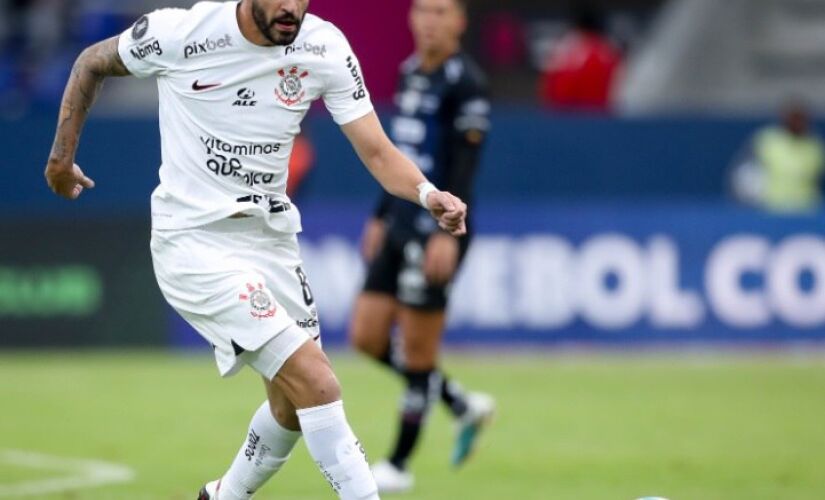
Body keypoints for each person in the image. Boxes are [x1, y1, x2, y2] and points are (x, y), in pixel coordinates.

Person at [43, 1, 469, 499]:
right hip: (195, 241)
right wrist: (60, 158)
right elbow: (91, 61)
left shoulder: (323, 45)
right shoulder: (183, 32)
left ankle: (222, 496)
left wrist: (426, 193)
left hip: (271, 241)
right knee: (318, 382)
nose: (292, 7)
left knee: (290, 407)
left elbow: (377, 150)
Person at [347, 0, 493, 493]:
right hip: (399, 222)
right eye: (423, 10)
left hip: (438, 230)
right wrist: (380, 215)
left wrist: (445, 234)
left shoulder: (467, 83)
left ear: (459, 22)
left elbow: (463, 168)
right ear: (411, 18)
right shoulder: (410, 72)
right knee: (366, 336)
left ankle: (400, 464)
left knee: (416, 350)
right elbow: (397, 155)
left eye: (441, 12)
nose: (431, 21)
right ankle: (460, 403)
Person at [730, 100, 825, 213]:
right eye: (794, 118)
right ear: (785, 118)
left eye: (801, 119)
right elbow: (743, 172)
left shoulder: (815, 146)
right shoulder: (767, 141)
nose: (798, 123)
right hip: (773, 208)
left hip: (807, 208)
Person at [538, 5, 622, 112]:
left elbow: (548, 91)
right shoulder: (610, 52)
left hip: (566, 118)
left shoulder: (563, 50)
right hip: (600, 119)